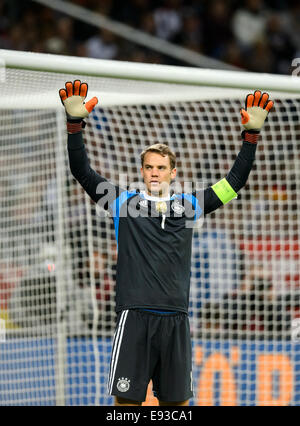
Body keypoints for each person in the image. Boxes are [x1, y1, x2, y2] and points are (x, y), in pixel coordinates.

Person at [59, 80, 273, 406]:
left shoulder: (188, 206)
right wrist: (75, 126)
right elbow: (81, 171)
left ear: (173, 172)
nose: (154, 172)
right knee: (126, 405)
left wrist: (251, 137)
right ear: (142, 172)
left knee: (177, 408)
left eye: (161, 167)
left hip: (176, 318)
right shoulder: (122, 202)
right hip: (135, 316)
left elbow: (234, 184)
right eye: (149, 167)